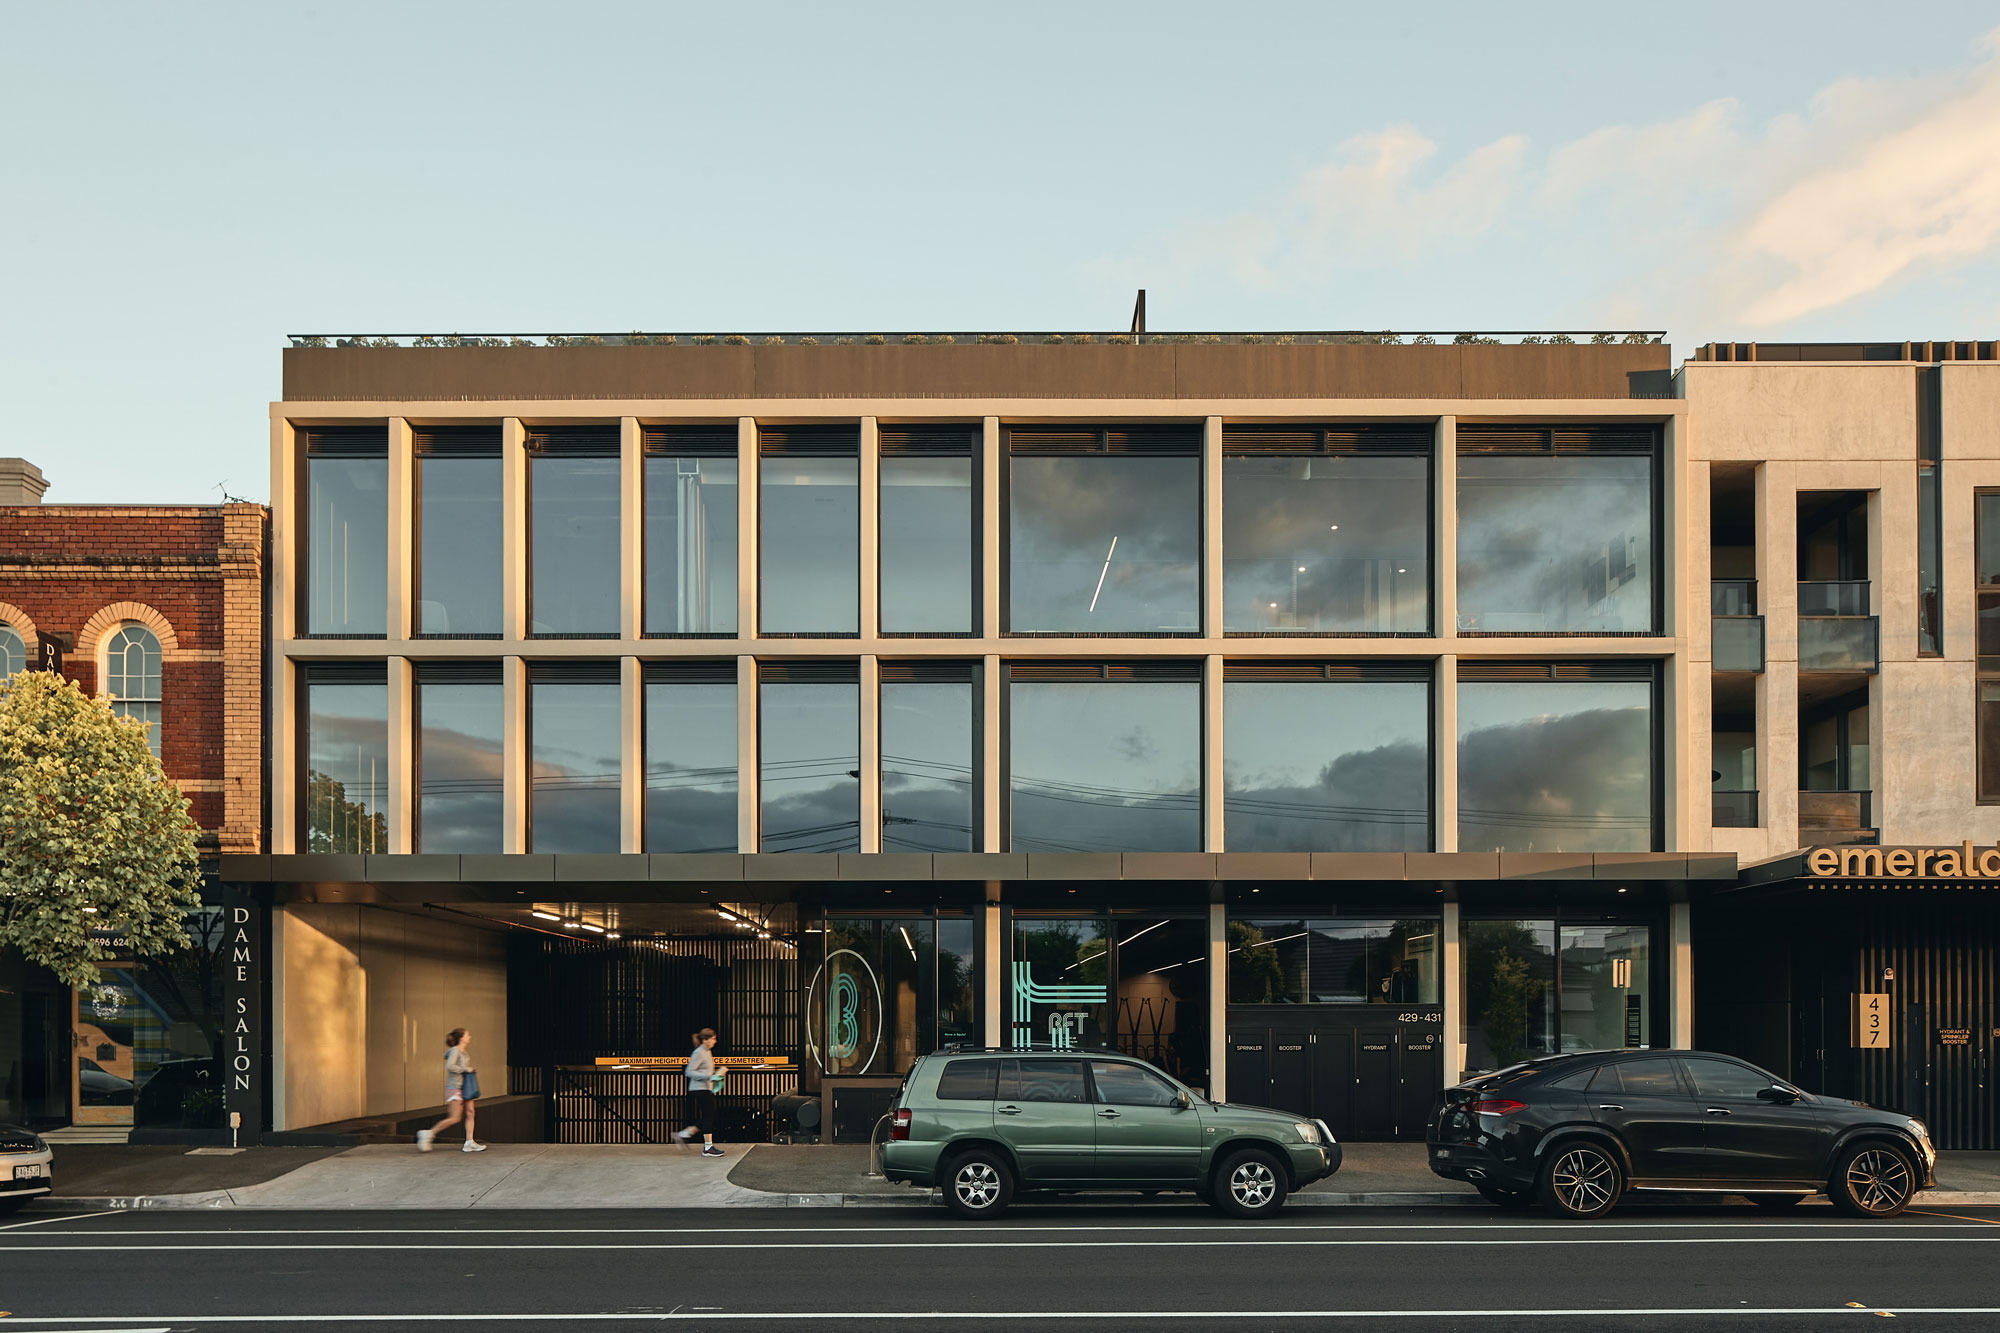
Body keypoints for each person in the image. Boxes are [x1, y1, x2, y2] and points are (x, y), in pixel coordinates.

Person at [416, 1028, 486, 1153]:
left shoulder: (464, 1052)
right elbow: (450, 1066)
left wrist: (468, 1069)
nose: (469, 1037)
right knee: (455, 1117)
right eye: (467, 1035)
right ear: (461, 1038)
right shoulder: (455, 1051)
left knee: (470, 1113)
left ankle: (469, 1142)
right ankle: (429, 1134)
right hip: (455, 1087)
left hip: (465, 1087)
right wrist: (466, 1069)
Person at [673, 1027, 724, 1157]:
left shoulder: (707, 1052)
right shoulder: (699, 1052)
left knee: (710, 1115)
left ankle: (684, 1134)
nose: (715, 1041)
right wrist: (709, 1077)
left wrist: (716, 1076)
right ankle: (707, 1148)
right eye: (713, 1039)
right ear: (705, 1040)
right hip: (699, 1088)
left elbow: (703, 1071)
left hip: (705, 1088)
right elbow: (689, 1071)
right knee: (709, 1116)